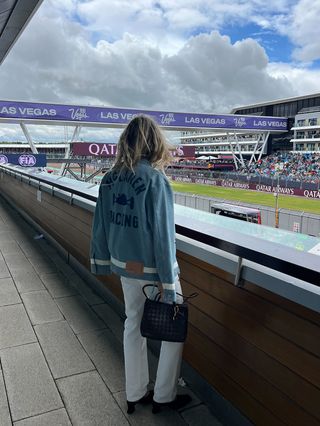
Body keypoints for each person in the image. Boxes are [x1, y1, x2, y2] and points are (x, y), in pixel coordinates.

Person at [90, 115, 191, 414]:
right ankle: (164, 396)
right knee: (174, 328)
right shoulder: (155, 179)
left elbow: (100, 226)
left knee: (132, 324)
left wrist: (101, 263)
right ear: (154, 142)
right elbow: (163, 235)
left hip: (124, 267)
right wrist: (169, 283)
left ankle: (134, 393)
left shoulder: (109, 177)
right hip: (152, 271)